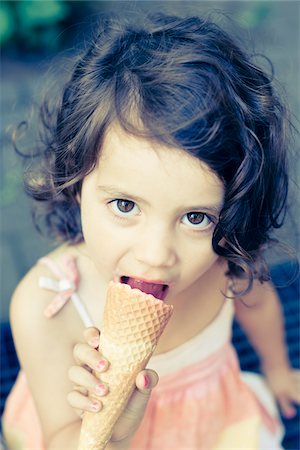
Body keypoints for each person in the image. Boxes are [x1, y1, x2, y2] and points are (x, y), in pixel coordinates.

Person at [2, 11, 300, 450]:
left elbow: (258, 304)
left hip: (207, 425)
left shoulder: (225, 259)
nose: (157, 254)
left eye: (196, 218)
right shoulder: (45, 308)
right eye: (125, 206)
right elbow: (63, 437)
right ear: (76, 183)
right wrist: (112, 430)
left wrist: (277, 368)